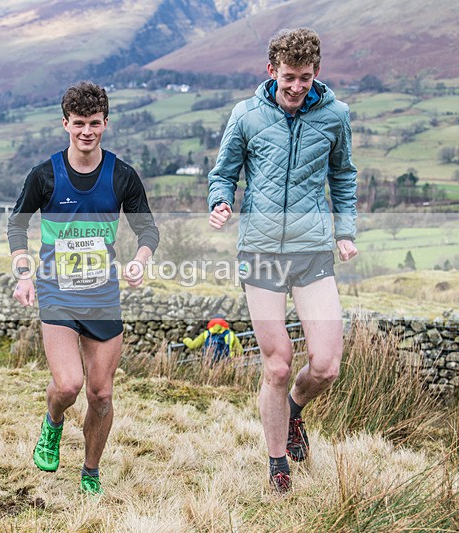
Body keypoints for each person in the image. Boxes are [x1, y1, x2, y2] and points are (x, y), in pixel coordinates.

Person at [207, 28, 358, 493]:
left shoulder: (336, 116)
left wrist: (346, 232)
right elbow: (224, 173)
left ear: (317, 74)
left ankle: (294, 408)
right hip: (261, 251)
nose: (297, 87)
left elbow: (344, 175)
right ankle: (277, 466)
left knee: (327, 365)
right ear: (271, 71)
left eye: (306, 78)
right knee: (276, 363)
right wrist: (220, 201)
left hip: (312, 251)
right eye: (289, 77)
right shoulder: (247, 115)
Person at [8, 81, 159, 495]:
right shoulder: (45, 175)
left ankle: (90, 472)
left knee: (101, 393)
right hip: (57, 292)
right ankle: (53, 422)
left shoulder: (122, 176)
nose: (86, 131)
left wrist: (138, 261)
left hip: (103, 295)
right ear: (65, 124)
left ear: (105, 123)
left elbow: (147, 230)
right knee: (69, 385)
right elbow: (17, 225)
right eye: (78, 123)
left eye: (94, 123)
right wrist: (24, 273)